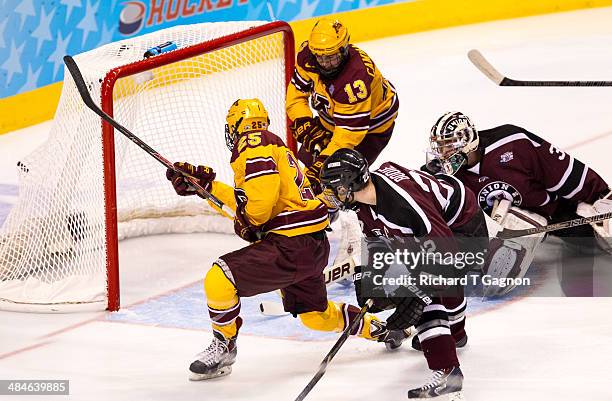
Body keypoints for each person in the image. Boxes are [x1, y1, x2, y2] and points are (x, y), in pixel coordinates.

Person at [165, 99, 409, 381]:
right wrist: (206, 189)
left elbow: (258, 208)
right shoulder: (275, 147)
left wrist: (248, 222)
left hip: (290, 244)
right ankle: (380, 328)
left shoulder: (253, 143)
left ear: (235, 127)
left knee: (220, 278)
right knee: (315, 315)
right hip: (310, 243)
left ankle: (224, 346)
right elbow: (258, 199)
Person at [320, 148, 488, 399]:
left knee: (424, 291)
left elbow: (446, 256)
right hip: (439, 220)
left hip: (463, 225)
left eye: (334, 189)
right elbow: (378, 240)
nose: (330, 196)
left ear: (349, 185)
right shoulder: (365, 200)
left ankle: (448, 371)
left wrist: (416, 296)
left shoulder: (404, 205)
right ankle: (456, 333)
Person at [425, 111, 612, 296]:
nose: (443, 154)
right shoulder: (439, 173)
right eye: (439, 147)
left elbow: (567, 173)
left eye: (448, 146)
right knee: (494, 279)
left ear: (467, 141)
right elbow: (422, 203)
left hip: (558, 211)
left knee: (596, 234)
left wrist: (602, 195)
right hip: (497, 224)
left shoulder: (512, 143)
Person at [286, 18, 399, 193]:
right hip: (332, 116)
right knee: (309, 164)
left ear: (344, 48)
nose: (325, 63)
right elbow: (296, 97)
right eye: (320, 57)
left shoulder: (355, 80)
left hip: (370, 128)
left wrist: (324, 161)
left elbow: (348, 134)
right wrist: (304, 122)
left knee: (343, 180)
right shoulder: (307, 56)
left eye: (331, 57)